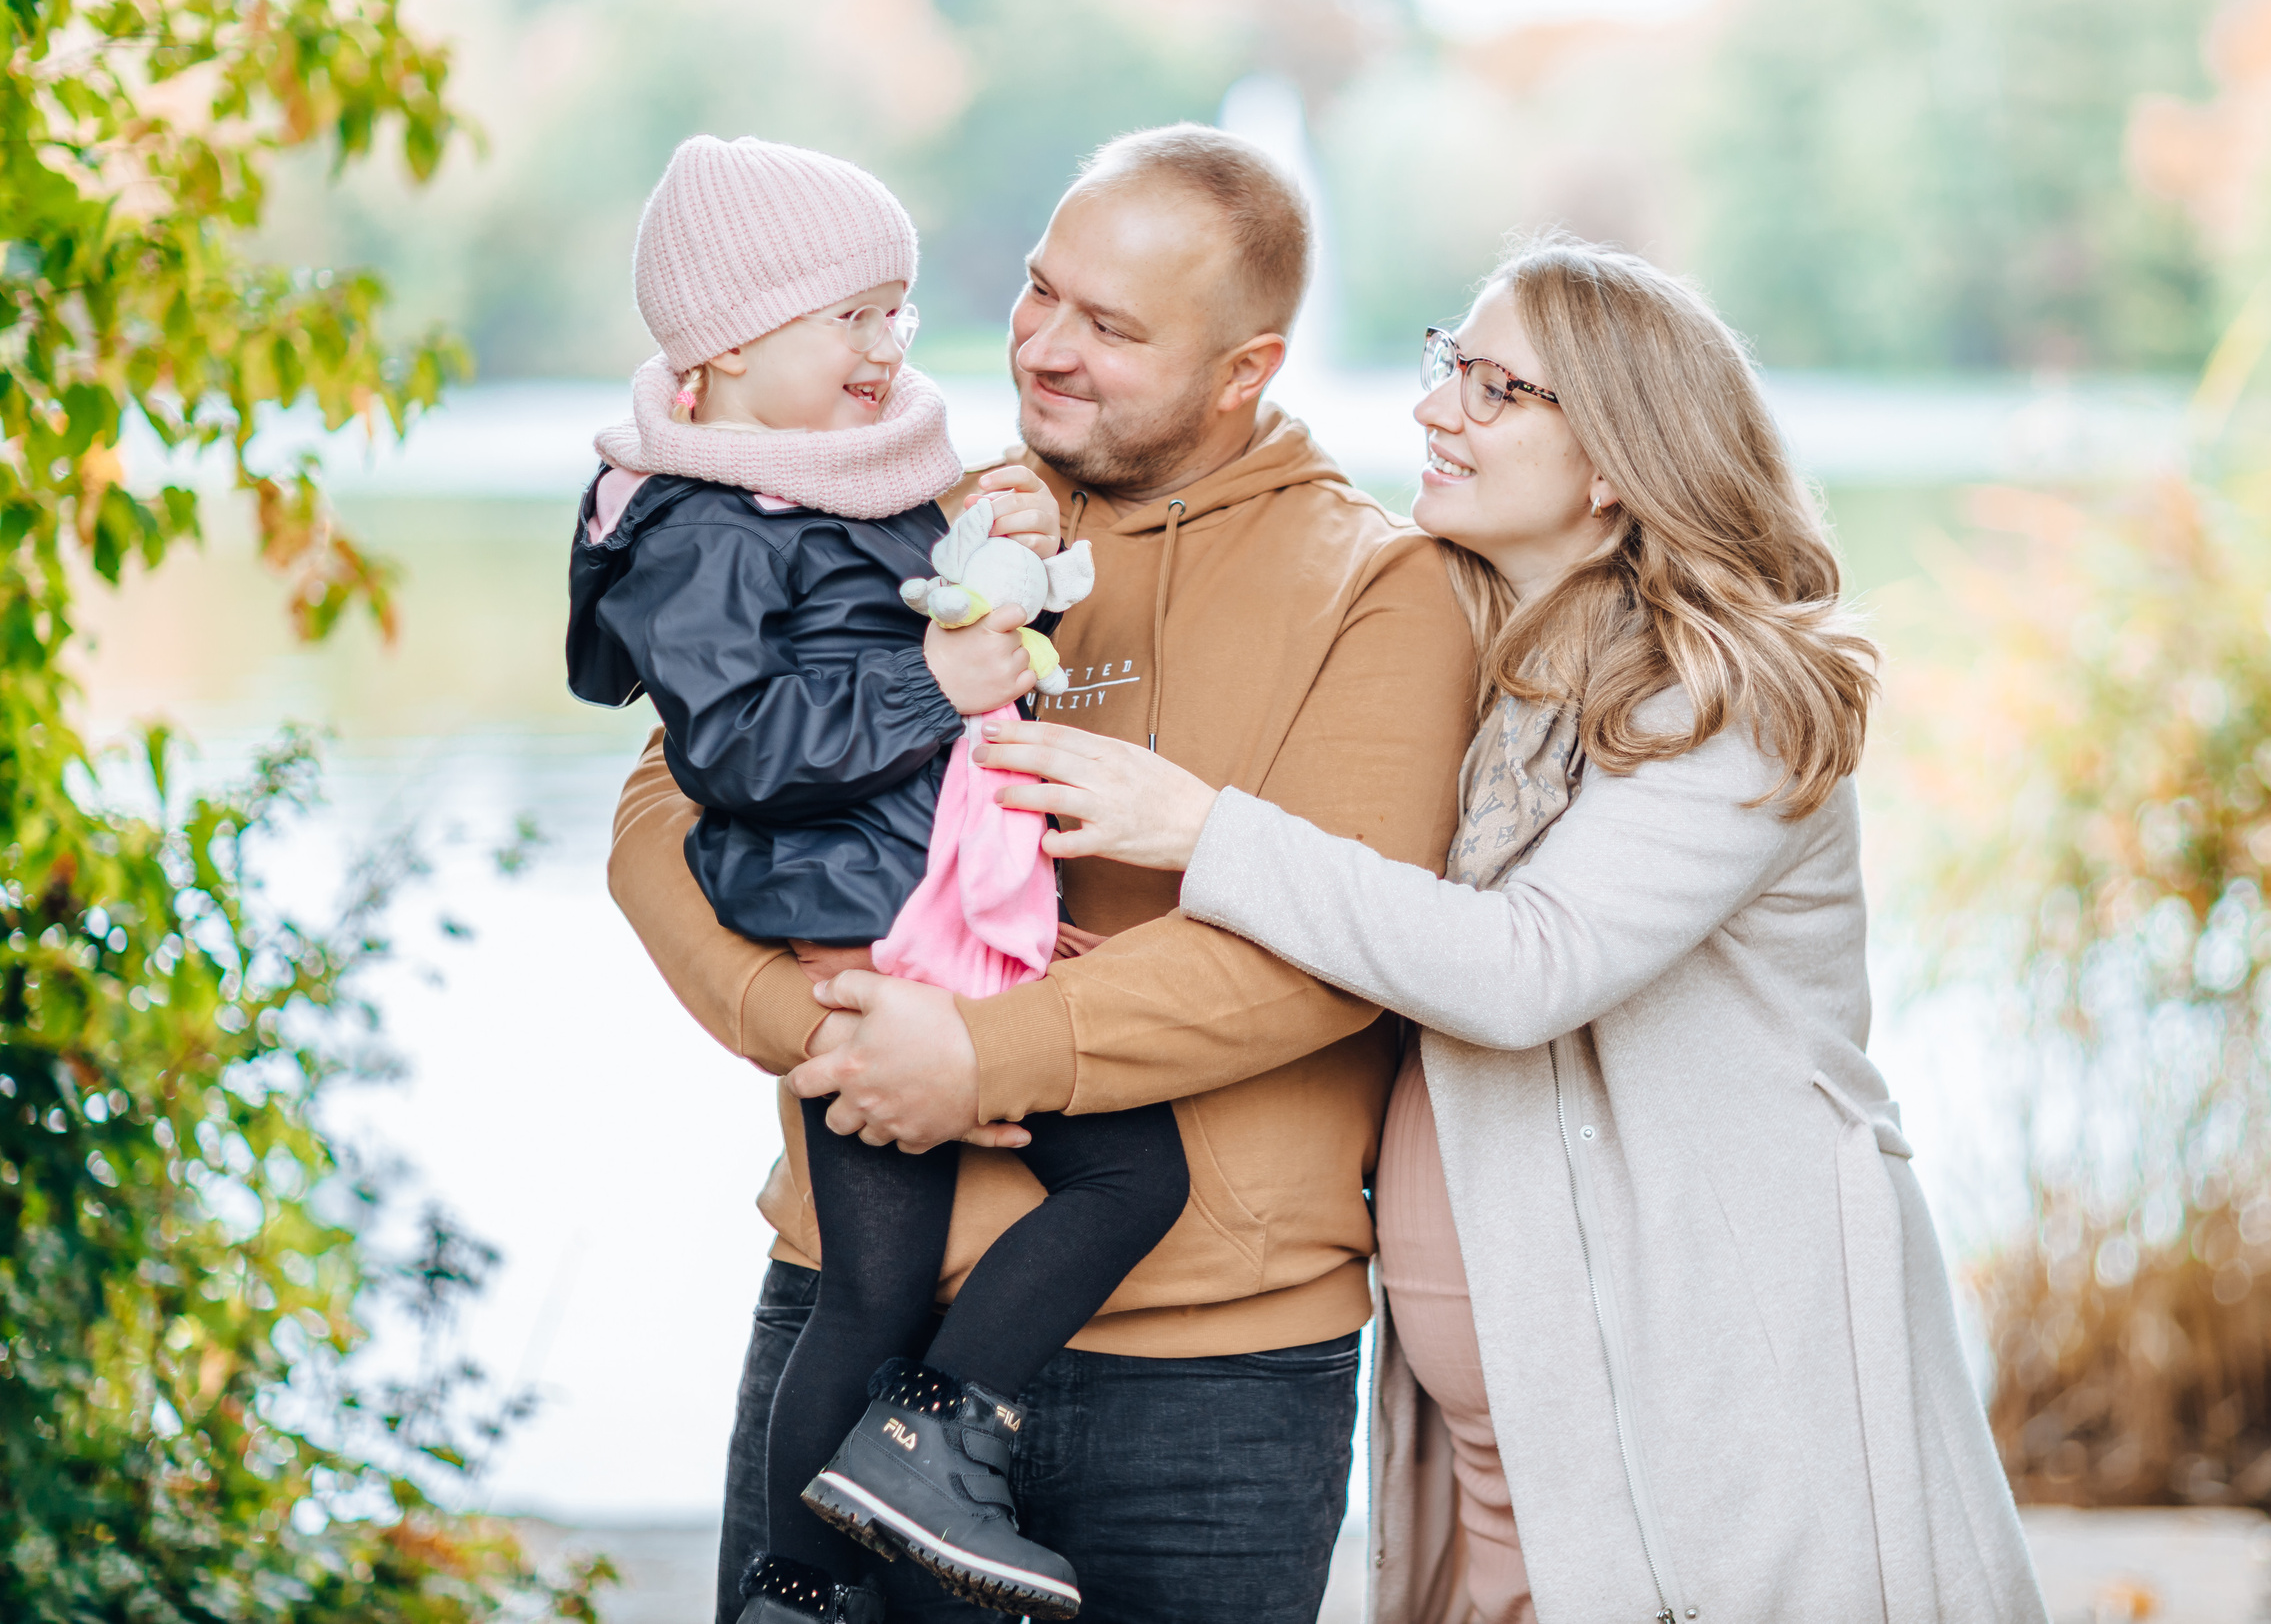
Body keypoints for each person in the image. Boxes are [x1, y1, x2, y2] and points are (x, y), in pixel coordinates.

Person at [974, 234, 2055, 1624]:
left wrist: (1203, 831)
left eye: (1496, 389)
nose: (1436, 407)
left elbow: (1525, 968)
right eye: (1449, 365)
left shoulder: (1725, 702)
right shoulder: (1488, 658)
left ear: (1612, 459)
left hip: (1702, 1376)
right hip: (1509, 1417)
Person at [604, 124, 1481, 1624]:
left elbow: (1329, 948)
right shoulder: (893, 502)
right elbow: (664, 811)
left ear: (1247, 368)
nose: (1043, 347)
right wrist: (822, 1029)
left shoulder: (1380, 586)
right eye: (1039, 289)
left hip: (1207, 1381)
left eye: (1112, 327)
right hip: (854, 1308)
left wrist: (976, 1055)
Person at [566, 135, 1192, 1623]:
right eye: (851, 316)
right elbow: (736, 749)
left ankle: (839, 1544)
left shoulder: (835, 477)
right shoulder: (697, 523)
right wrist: (933, 678)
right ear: (728, 343)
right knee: (1084, 1195)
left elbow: (914, 633)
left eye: (898, 312)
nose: (888, 345)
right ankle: (912, 1465)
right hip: (868, 924)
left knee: (896, 1276)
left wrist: (1000, 560)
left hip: (922, 898)